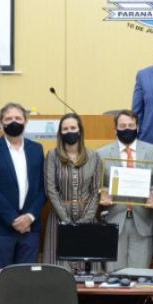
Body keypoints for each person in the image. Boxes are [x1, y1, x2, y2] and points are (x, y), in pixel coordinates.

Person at [0, 102, 45, 269]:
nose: (13, 122)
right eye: (8, 119)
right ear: (1, 123)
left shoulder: (37, 149)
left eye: (18, 118)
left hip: (30, 228)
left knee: (27, 282)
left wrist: (29, 217)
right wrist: (13, 219)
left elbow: (42, 187)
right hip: (0, 227)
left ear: (26, 122)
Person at [96, 109, 153, 272]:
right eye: (122, 125)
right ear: (115, 129)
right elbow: (98, 183)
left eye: (131, 125)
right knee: (114, 277)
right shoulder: (101, 153)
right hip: (114, 219)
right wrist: (103, 192)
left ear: (137, 127)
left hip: (143, 220)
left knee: (140, 278)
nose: (127, 129)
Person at [42, 113, 101, 272]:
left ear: (80, 130)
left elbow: (96, 191)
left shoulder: (94, 157)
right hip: (59, 220)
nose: (69, 131)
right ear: (60, 133)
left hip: (87, 220)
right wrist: (66, 219)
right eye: (65, 129)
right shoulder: (53, 156)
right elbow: (50, 190)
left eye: (73, 128)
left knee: (87, 271)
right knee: (58, 272)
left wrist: (85, 220)